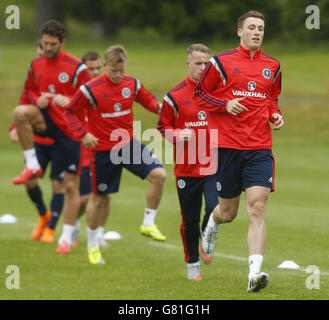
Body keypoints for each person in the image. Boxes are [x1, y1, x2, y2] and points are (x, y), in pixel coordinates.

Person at [194, 10, 284, 292]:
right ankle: (212, 224)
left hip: (259, 148)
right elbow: (199, 93)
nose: (257, 32)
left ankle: (253, 275)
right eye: (252, 28)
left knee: (257, 208)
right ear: (240, 32)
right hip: (228, 148)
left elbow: (271, 98)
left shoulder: (273, 65)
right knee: (229, 212)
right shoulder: (220, 62)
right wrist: (224, 105)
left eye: (261, 28)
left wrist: (275, 114)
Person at [65, 45, 166, 264]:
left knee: (159, 175)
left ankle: (148, 223)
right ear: (105, 66)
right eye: (114, 71)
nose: (118, 75)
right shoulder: (90, 89)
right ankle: (93, 244)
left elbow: (151, 103)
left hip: (128, 145)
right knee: (99, 199)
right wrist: (83, 134)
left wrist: (166, 109)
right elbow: (69, 111)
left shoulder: (132, 84)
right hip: (103, 151)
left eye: (121, 70)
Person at [12, 20, 91, 254]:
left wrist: (72, 101)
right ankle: (32, 164)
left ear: (62, 43)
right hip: (47, 122)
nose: (47, 48)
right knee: (21, 112)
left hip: (70, 128)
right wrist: (38, 100)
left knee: (69, 185)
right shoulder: (35, 65)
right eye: (45, 43)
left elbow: (90, 97)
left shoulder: (77, 67)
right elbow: (30, 91)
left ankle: (65, 237)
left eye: (52, 44)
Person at [158, 44, 218, 280]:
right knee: (189, 220)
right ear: (188, 64)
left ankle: (207, 239)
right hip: (186, 169)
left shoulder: (218, 91)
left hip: (214, 165)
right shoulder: (174, 95)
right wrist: (176, 135)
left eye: (206, 63)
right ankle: (192, 263)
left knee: (215, 207)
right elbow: (163, 127)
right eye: (198, 63)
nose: (203, 68)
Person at [10, 39, 65, 242]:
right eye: (39, 52)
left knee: (58, 184)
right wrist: (15, 128)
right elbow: (23, 104)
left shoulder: (62, 75)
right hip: (38, 141)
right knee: (30, 182)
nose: (42, 55)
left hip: (59, 139)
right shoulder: (33, 77)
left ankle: (51, 229)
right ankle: (43, 215)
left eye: (46, 51)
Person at [71, 50, 116, 247]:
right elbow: (68, 115)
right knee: (83, 199)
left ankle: (98, 233)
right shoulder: (79, 93)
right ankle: (71, 224)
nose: (96, 72)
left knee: (105, 195)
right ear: (83, 70)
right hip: (83, 150)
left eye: (99, 67)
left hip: (104, 149)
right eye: (91, 69)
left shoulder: (108, 89)